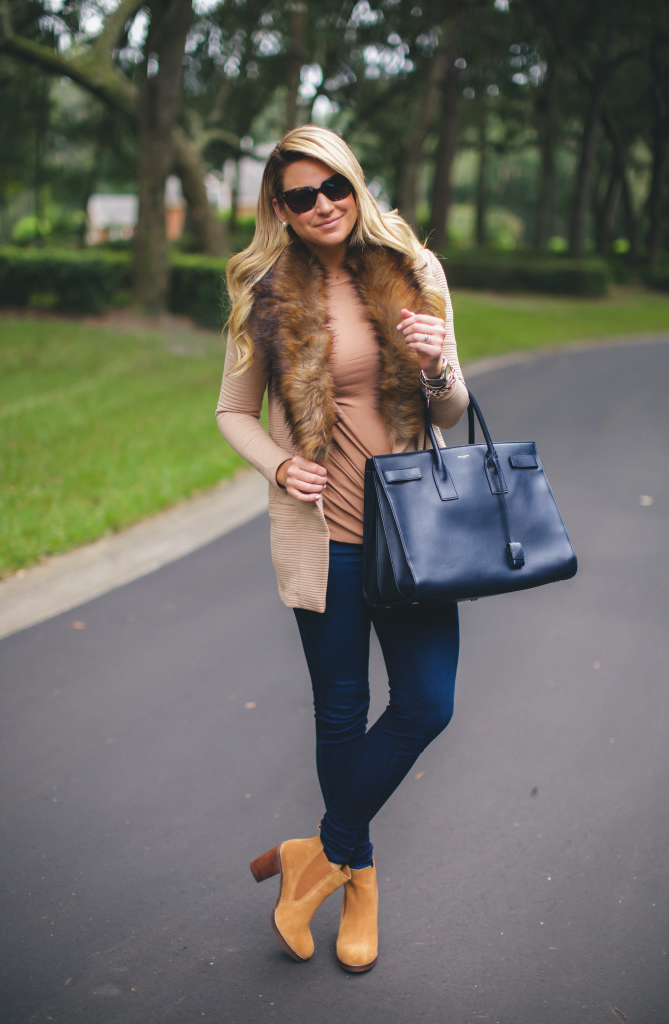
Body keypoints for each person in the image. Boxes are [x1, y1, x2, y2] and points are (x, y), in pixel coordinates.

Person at [216, 125, 468, 973]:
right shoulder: (264, 289)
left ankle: (314, 858)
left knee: (427, 703)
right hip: (324, 538)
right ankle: (358, 882)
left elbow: (450, 412)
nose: (322, 205)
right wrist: (279, 463)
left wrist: (437, 366)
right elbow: (231, 413)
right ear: (279, 209)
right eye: (300, 195)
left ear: (356, 188)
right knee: (340, 710)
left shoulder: (413, 270)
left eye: (335, 187)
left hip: (414, 538)